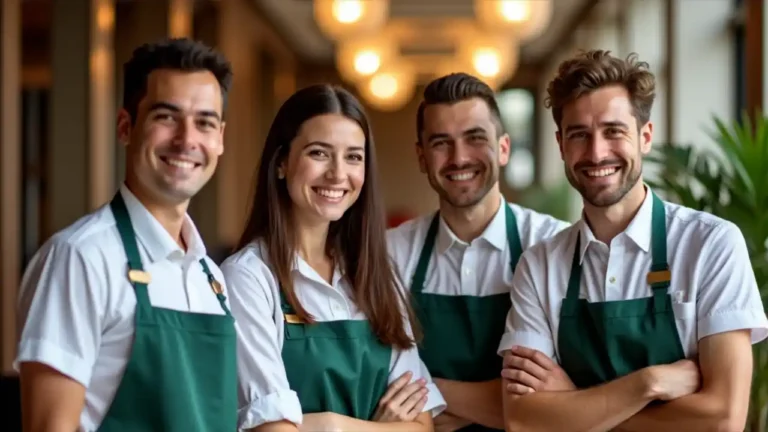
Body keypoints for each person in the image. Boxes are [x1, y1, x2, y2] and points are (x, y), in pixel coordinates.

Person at [498, 49, 768, 432]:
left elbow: (723, 418)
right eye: (579, 135)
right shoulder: (539, 266)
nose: (596, 152)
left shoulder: (711, 245)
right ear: (560, 144)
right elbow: (524, 419)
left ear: (645, 136)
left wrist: (575, 403)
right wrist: (648, 384)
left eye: (613, 131)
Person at [15, 38, 237, 431]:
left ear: (220, 138)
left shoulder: (211, 277)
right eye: (166, 117)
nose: (187, 140)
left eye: (204, 122)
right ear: (125, 126)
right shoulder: (80, 257)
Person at [221, 84, 446, 432]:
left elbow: (422, 424)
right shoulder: (247, 278)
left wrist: (330, 425)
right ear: (281, 162)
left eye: (353, 156)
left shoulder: (377, 275)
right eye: (319, 153)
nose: (338, 174)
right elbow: (271, 430)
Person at [386, 73, 569, 432]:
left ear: (503, 148)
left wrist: (430, 393)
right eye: (441, 143)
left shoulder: (553, 246)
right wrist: (507, 403)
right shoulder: (389, 253)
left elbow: (553, 405)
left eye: (475, 138)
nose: (459, 158)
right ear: (421, 157)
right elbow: (383, 388)